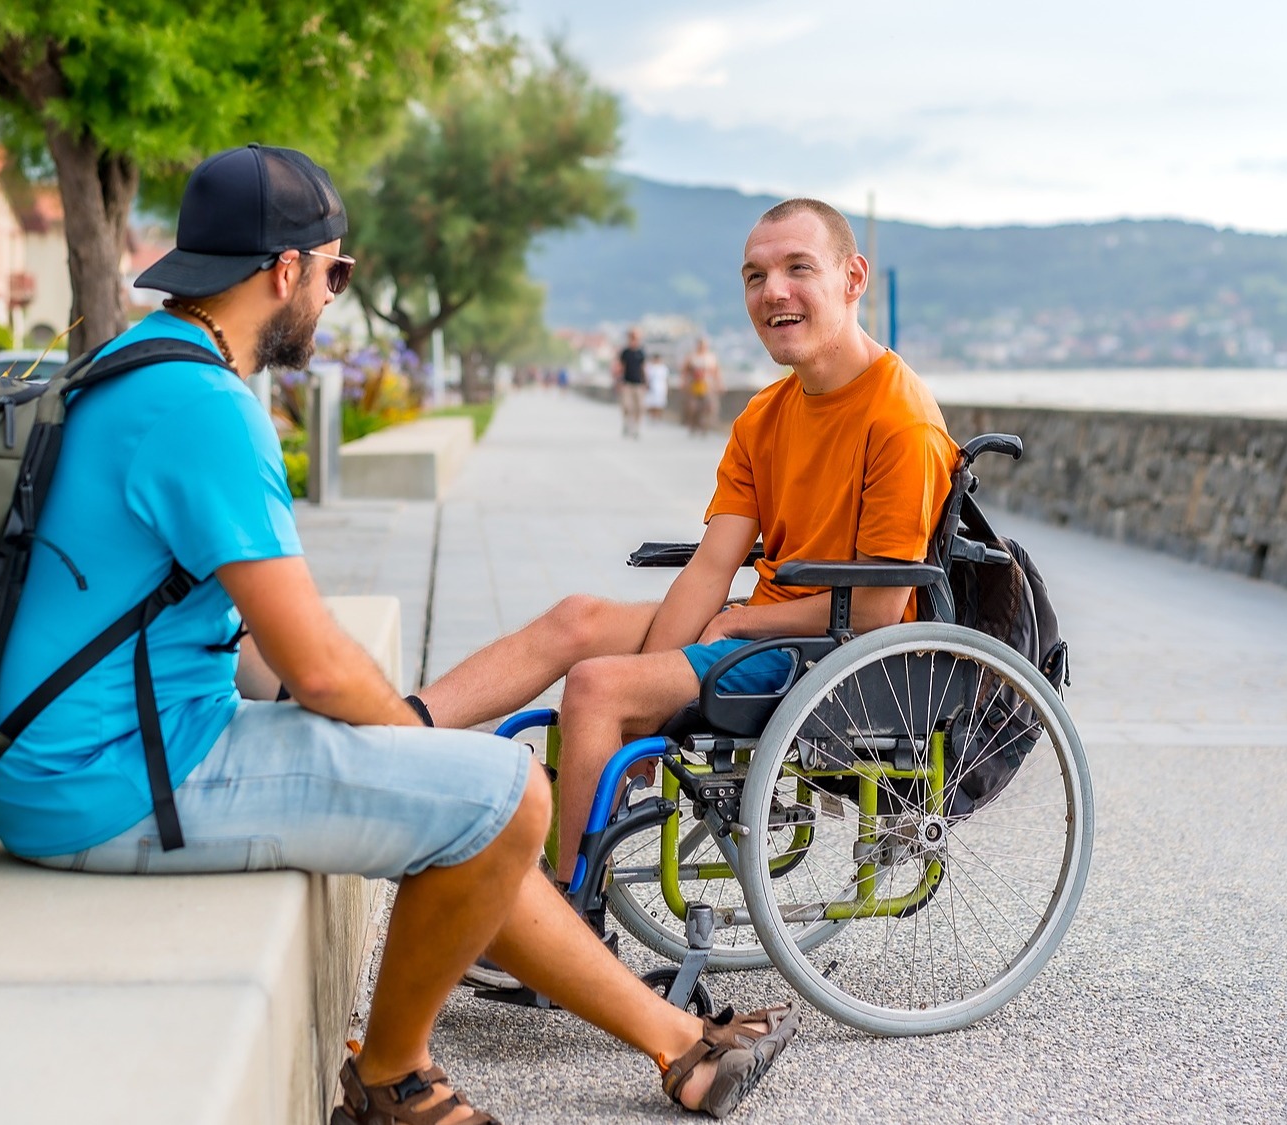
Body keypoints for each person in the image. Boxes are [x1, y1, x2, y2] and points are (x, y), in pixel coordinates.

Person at [0, 143, 798, 1125]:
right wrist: (413, 743)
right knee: (499, 793)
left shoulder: (134, 364)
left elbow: (208, 625)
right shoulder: (204, 407)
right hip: (120, 781)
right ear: (284, 270)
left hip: (83, 757)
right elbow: (319, 667)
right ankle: (391, 1080)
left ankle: (680, 1050)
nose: (334, 295)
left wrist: (395, 749)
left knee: (478, 802)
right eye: (337, 270)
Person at [409, 198, 959, 883]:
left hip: (835, 656)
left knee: (595, 688)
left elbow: (879, 610)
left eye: (797, 268)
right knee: (578, 617)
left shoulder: (900, 420)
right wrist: (663, 682)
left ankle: (566, 914)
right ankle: (399, 729)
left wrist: (733, 627)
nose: (773, 292)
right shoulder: (765, 415)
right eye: (755, 276)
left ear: (853, 278)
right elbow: (710, 567)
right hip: (761, 633)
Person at [682, 338, 724, 437]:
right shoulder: (692, 357)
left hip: (708, 385)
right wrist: (684, 382)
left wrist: (719, 384)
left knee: (708, 407)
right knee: (693, 407)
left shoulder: (711, 357)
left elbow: (716, 371)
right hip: (694, 385)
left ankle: (704, 427)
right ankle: (693, 425)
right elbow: (685, 370)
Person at [613, 327, 647, 438]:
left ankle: (636, 427)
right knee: (627, 406)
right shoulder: (625, 352)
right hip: (627, 383)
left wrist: (646, 381)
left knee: (640, 407)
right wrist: (618, 381)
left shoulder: (641, 352)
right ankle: (627, 423)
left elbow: (643, 368)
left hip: (638, 383)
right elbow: (620, 367)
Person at [645, 357, 670, 422]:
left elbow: (666, 379)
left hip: (661, 388)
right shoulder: (650, 367)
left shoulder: (663, 368)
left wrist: (667, 388)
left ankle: (657, 417)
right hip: (652, 387)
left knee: (659, 404)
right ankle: (652, 416)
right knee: (651, 403)